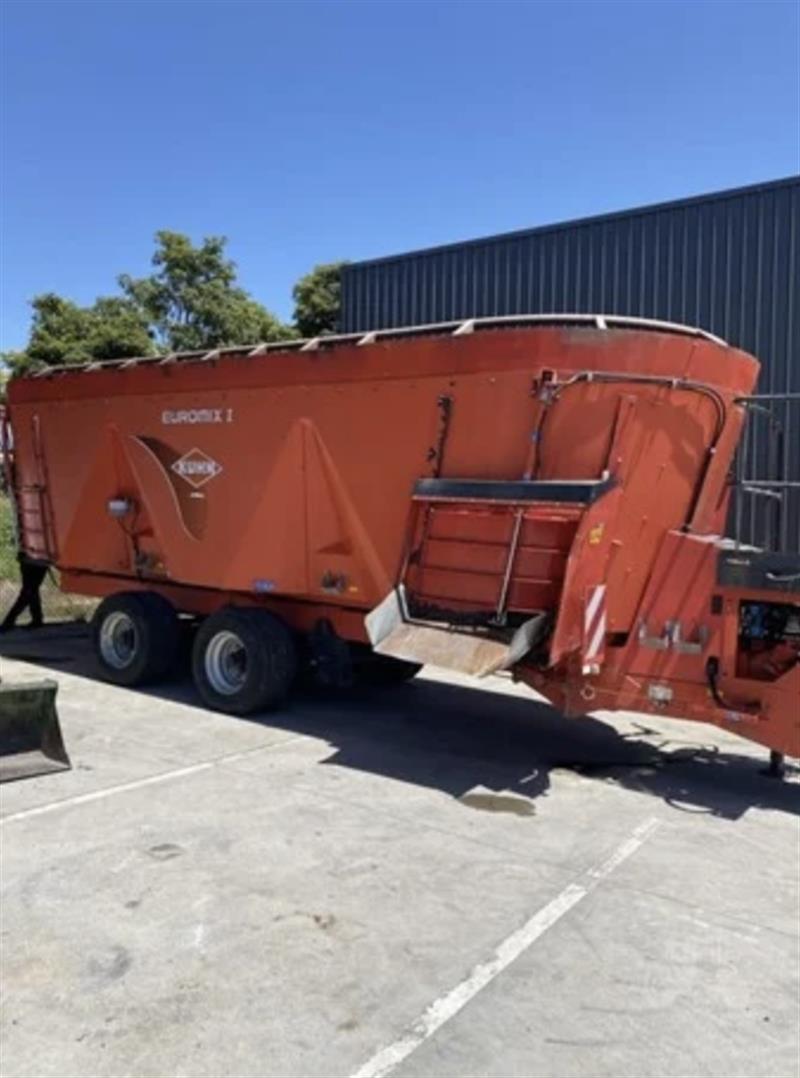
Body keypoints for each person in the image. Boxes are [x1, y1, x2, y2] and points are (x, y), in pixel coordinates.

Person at [0, 551, 48, 632]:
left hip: (32, 559)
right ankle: (36, 619)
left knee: (28, 591)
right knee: (31, 590)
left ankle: (9, 621)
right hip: (38, 559)